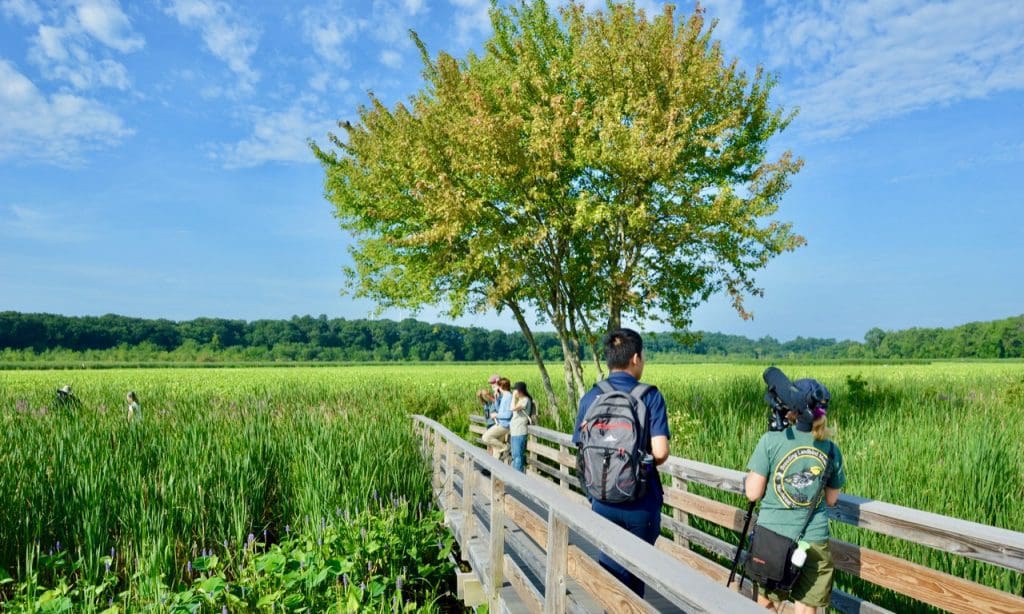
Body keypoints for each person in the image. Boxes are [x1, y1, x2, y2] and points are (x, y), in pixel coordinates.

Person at [572, 328, 670, 597]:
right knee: (636, 574)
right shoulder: (649, 396)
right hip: (641, 500)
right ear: (636, 358)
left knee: (610, 573)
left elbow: (580, 446)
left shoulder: (592, 396)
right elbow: (660, 452)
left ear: (609, 359)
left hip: (601, 498)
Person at [744, 378, 846, 613]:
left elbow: (752, 492)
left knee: (768, 604)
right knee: (806, 608)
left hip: (774, 536)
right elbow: (831, 499)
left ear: (792, 407)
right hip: (813, 540)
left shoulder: (771, 440)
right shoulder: (831, 449)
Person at [481, 378, 513, 459]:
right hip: (500, 423)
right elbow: (499, 410)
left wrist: (496, 415)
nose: (496, 388)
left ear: (501, 387)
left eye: (497, 386)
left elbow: (508, 415)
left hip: (504, 425)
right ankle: (495, 469)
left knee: (486, 437)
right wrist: (496, 400)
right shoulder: (504, 396)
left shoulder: (508, 397)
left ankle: (505, 447)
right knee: (496, 450)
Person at [509, 381, 534, 472]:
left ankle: (517, 477)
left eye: (515, 390)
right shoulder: (521, 399)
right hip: (515, 430)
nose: (513, 392)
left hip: (520, 431)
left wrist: (513, 397)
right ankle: (514, 474)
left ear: (519, 391)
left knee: (518, 456)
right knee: (515, 455)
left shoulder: (525, 400)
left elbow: (512, 409)